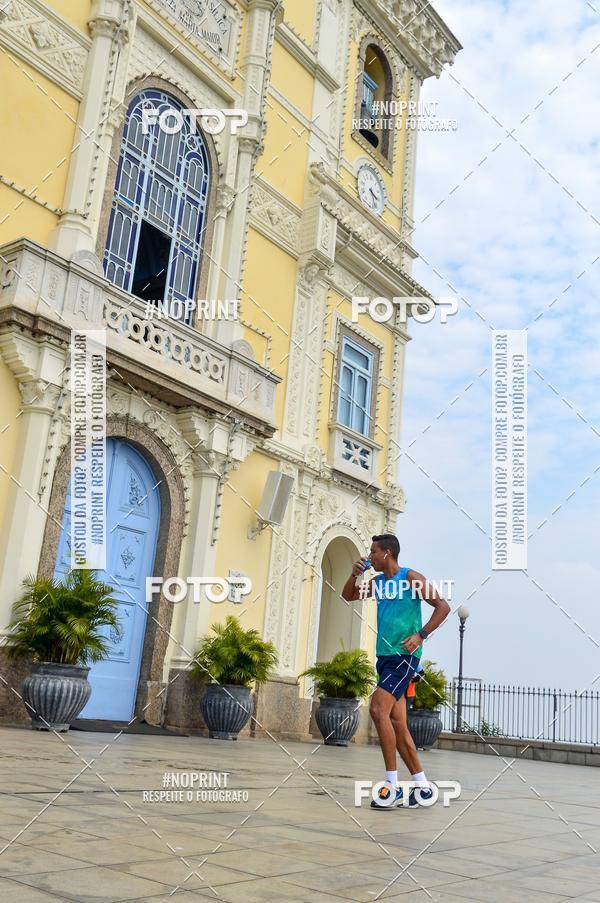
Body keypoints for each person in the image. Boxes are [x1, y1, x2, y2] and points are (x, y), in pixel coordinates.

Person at [342, 533, 450, 809]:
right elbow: (348, 596)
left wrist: (421, 634)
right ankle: (423, 788)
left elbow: (443, 606)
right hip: (385, 658)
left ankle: (392, 787)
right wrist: (354, 575)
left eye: (373, 552)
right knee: (399, 723)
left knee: (378, 710)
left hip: (405, 657)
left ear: (387, 553)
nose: (370, 556)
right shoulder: (378, 583)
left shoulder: (410, 577)